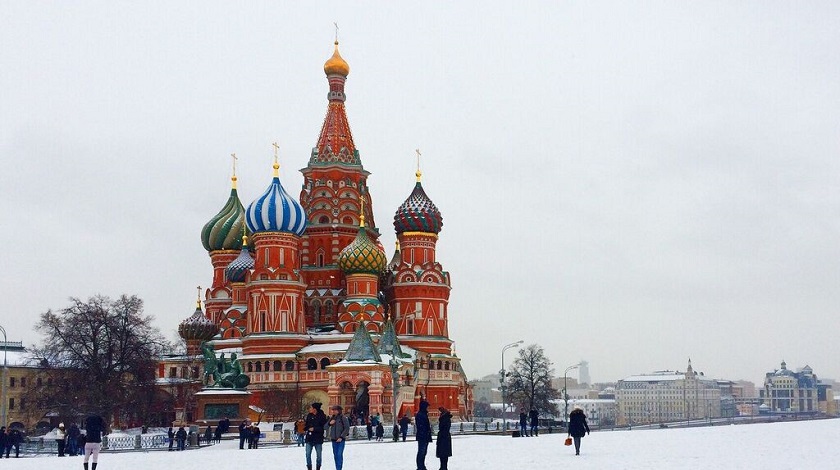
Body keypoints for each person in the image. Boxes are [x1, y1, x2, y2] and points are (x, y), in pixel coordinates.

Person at [304, 402, 327, 470]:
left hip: (318, 438)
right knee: (308, 454)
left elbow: (323, 427)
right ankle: (309, 467)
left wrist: (314, 429)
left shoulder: (322, 416)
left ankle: (318, 467)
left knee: (319, 455)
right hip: (309, 438)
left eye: (311, 408)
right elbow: (307, 425)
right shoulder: (309, 415)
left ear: (315, 409)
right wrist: (305, 427)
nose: (309, 409)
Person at [327, 405, 349, 470]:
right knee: (335, 455)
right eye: (333, 410)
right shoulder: (331, 418)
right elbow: (325, 427)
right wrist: (329, 424)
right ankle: (337, 468)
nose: (333, 411)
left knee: (339, 454)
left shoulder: (343, 418)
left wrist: (341, 437)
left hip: (341, 440)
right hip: (334, 439)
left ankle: (339, 468)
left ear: (338, 411)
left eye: (334, 410)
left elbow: (347, 428)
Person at [415, 400, 433, 470]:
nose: (428, 408)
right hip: (423, 436)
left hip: (424, 436)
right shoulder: (420, 415)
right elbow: (421, 426)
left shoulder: (423, 414)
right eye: (427, 407)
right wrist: (425, 433)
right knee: (421, 452)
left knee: (423, 452)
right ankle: (420, 467)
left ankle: (422, 466)